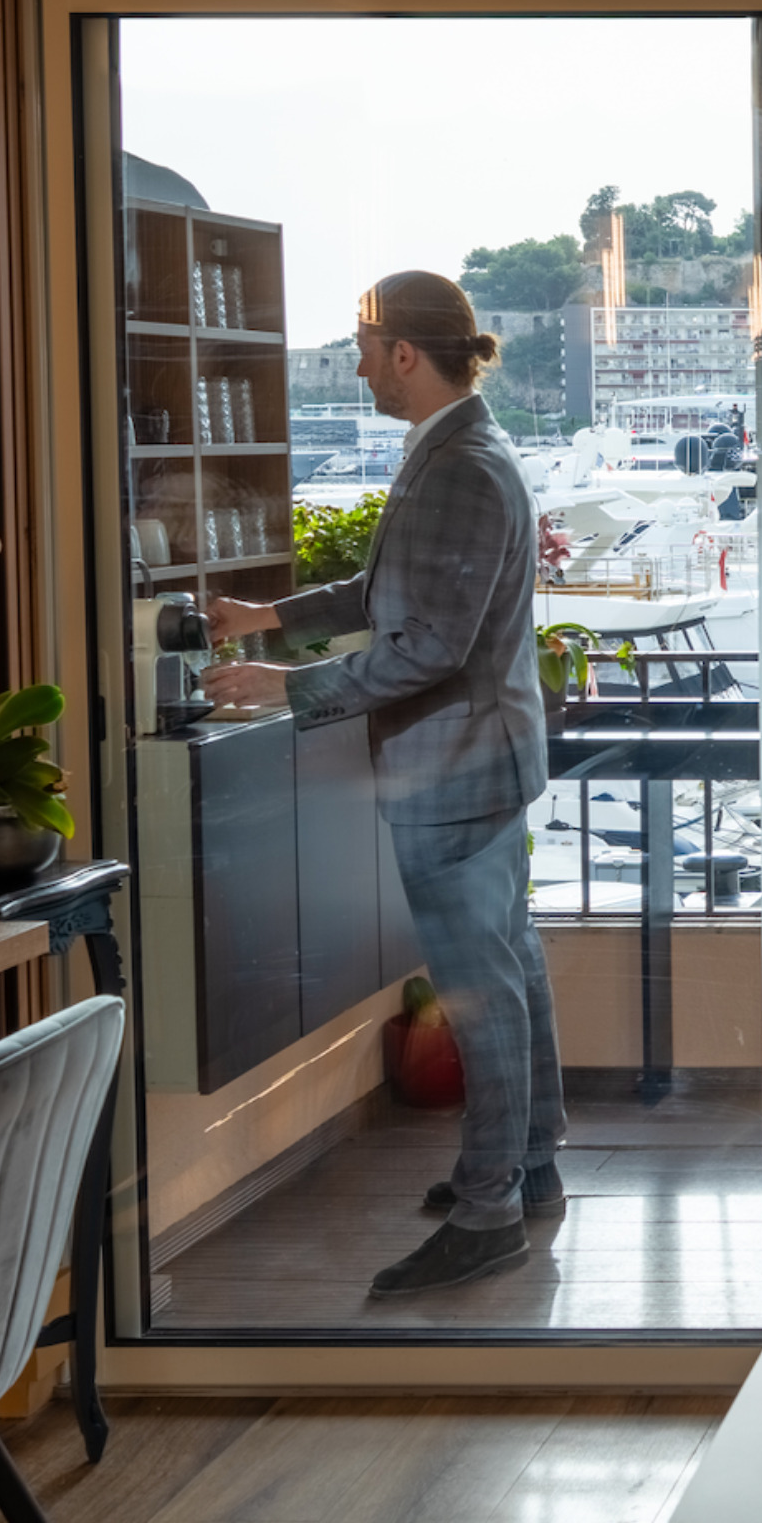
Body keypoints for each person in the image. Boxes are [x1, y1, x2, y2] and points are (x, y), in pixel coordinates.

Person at [204, 271, 559, 1299]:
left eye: (364, 353)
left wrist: (288, 685)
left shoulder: (459, 466)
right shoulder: (459, 449)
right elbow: (389, 592)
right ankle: (529, 1163)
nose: (357, 371)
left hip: (454, 765)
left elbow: (429, 646)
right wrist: (270, 618)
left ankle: (489, 1212)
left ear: (405, 352)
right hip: (482, 756)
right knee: (511, 964)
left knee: (480, 987)